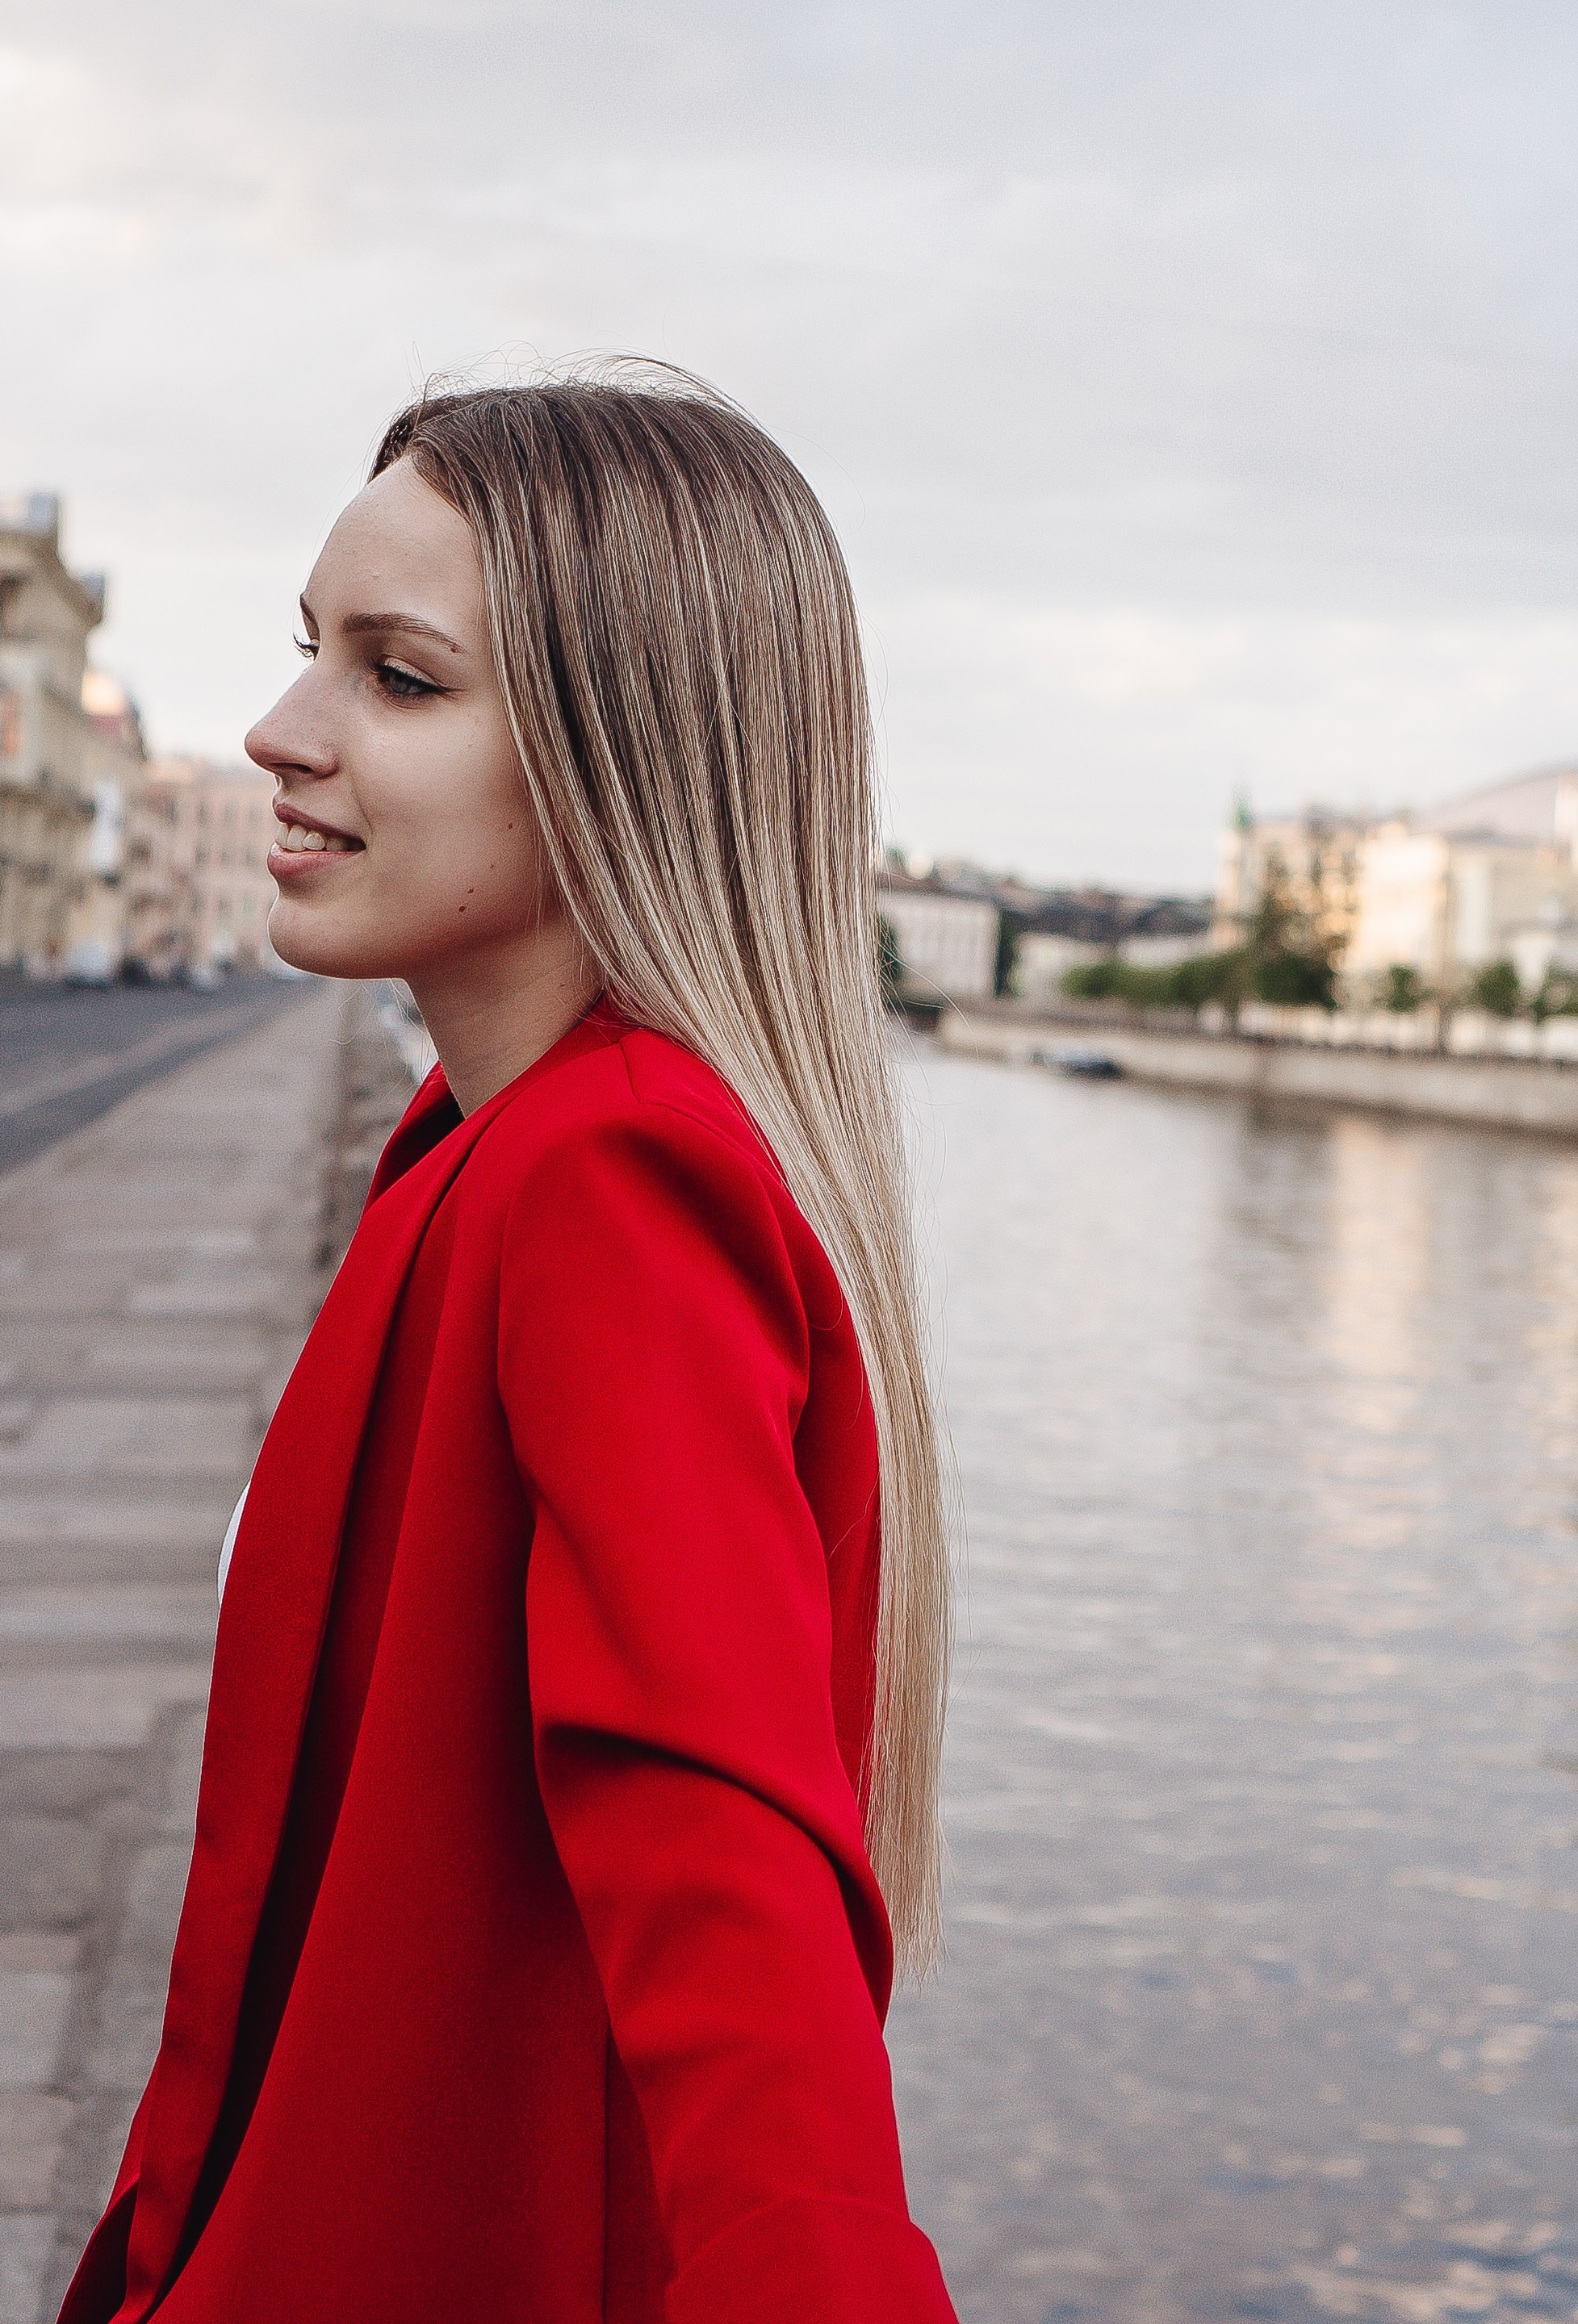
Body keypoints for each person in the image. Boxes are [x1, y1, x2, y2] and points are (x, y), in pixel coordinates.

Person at [59, 368, 960, 2324]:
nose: (278, 731)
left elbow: (715, 1851)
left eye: (399, 679)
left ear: (621, 756)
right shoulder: (488, 1141)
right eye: (312, 650)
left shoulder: (610, 1179)